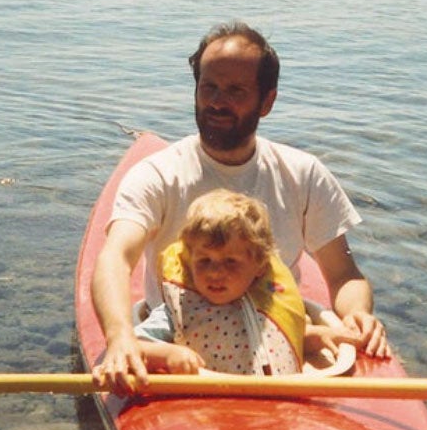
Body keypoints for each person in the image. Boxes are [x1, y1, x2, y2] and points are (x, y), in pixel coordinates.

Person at [92, 20, 390, 392]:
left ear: (267, 101)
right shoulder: (156, 174)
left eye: (236, 90)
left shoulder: (304, 174)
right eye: (209, 87)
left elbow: (343, 273)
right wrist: (120, 337)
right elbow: (116, 258)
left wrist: (357, 316)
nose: (217, 101)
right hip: (182, 348)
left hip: (274, 333)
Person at [134, 189, 359, 376]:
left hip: (278, 401)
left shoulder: (270, 304)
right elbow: (133, 346)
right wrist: (168, 354)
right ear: (190, 261)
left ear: (260, 266)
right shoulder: (177, 312)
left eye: (230, 262)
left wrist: (317, 337)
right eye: (204, 261)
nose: (215, 272)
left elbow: (276, 342)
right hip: (209, 403)